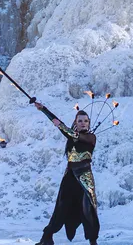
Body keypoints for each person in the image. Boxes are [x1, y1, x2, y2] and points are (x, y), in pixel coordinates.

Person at [34, 102, 99, 245]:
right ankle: (47, 238)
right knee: (61, 207)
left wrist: (58, 124)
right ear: (75, 122)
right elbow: (67, 131)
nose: (83, 123)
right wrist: (44, 109)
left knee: (88, 209)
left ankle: (93, 242)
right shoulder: (72, 137)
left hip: (84, 178)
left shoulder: (90, 138)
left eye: (85, 121)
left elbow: (70, 133)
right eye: (80, 120)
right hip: (69, 177)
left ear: (89, 123)